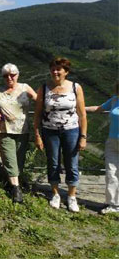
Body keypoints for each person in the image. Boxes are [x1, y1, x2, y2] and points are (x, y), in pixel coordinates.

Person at [34, 57, 87, 212]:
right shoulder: (44, 88)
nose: (55, 72)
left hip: (72, 130)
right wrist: (37, 134)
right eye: (53, 69)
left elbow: (82, 114)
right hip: (49, 131)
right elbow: (37, 114)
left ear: (66, 72)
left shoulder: (76, 87)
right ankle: (55, 194)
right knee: (53, 162)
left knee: (72, 163)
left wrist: (83, 137)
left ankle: (71, 196)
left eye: (59, 69)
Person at [0, 63, 37, 203]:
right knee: (9, 159)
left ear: (18, 75)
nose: (9, 78)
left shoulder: (25, 88)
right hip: (4, 130)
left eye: (12, 74)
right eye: (6, 75)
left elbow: (40, 100)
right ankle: (16, 190)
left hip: (22, 130)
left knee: (19, 160)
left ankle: (13, 183)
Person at [86, 81, 119, 214]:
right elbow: (99, 108)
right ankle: (113, 205)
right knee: (111, 173)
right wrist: (79, 107)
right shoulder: (114, 100)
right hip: (112, 141)